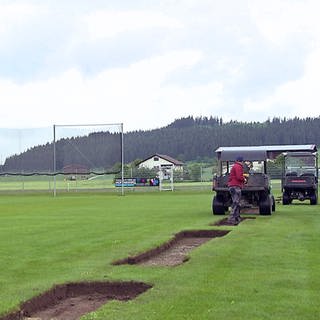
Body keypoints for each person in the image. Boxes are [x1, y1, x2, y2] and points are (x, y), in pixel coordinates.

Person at [227, 156, 246, 225]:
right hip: (236, 186)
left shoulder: (235, 166)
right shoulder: (238, 166)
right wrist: (244, 179)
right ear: (242, 161)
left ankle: (237, 217)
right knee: (236, 202)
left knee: (237, 202)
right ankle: (231, 218)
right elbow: (239, 177)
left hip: (232, 186)